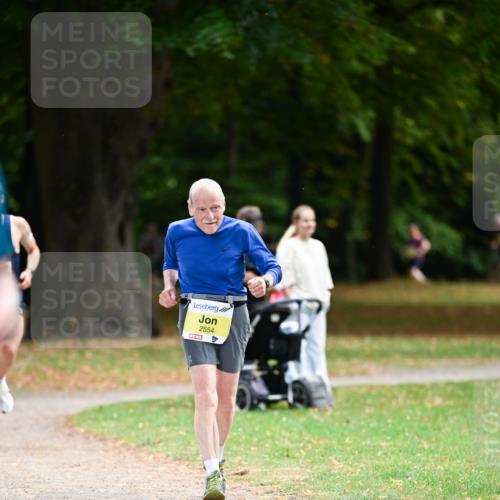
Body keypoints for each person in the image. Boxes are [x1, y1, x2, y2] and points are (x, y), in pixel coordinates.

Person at [159, 179, 281, 500]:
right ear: (190, 208)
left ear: (224, 204)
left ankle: (219, 457)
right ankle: (212, 472)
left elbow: (271, 265)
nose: (210, 216)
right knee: (206, 397)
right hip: (195, 311)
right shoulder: (177, 231)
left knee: (226, 401)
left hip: (234, 313)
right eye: (202, 210)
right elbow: (170, 265)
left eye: (215, 208)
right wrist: (170, 287)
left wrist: (264, 281)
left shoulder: (241, 231)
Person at [276, 205, 334, 405]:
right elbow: (284, 278)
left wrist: (325, 297)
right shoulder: (288, 246)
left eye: (312, 220)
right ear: (296, 223)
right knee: (298, 346)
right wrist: (293, 298)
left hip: (319, 304)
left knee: (317, 346)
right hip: (298, 304)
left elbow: (325, 277)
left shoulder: (318, 246)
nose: (309, 224)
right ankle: (299, 386)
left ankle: (320, 388)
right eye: (305, 220)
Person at [0, 188, 40, 413]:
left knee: (8, 349)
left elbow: (33, 251)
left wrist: (29, 271)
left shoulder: (17, 225)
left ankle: (0, 380)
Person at [235, 205, 270, 312]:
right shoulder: (233, 245)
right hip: (238, 301)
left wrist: (269, 280)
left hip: (258, 302)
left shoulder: (259, 246)